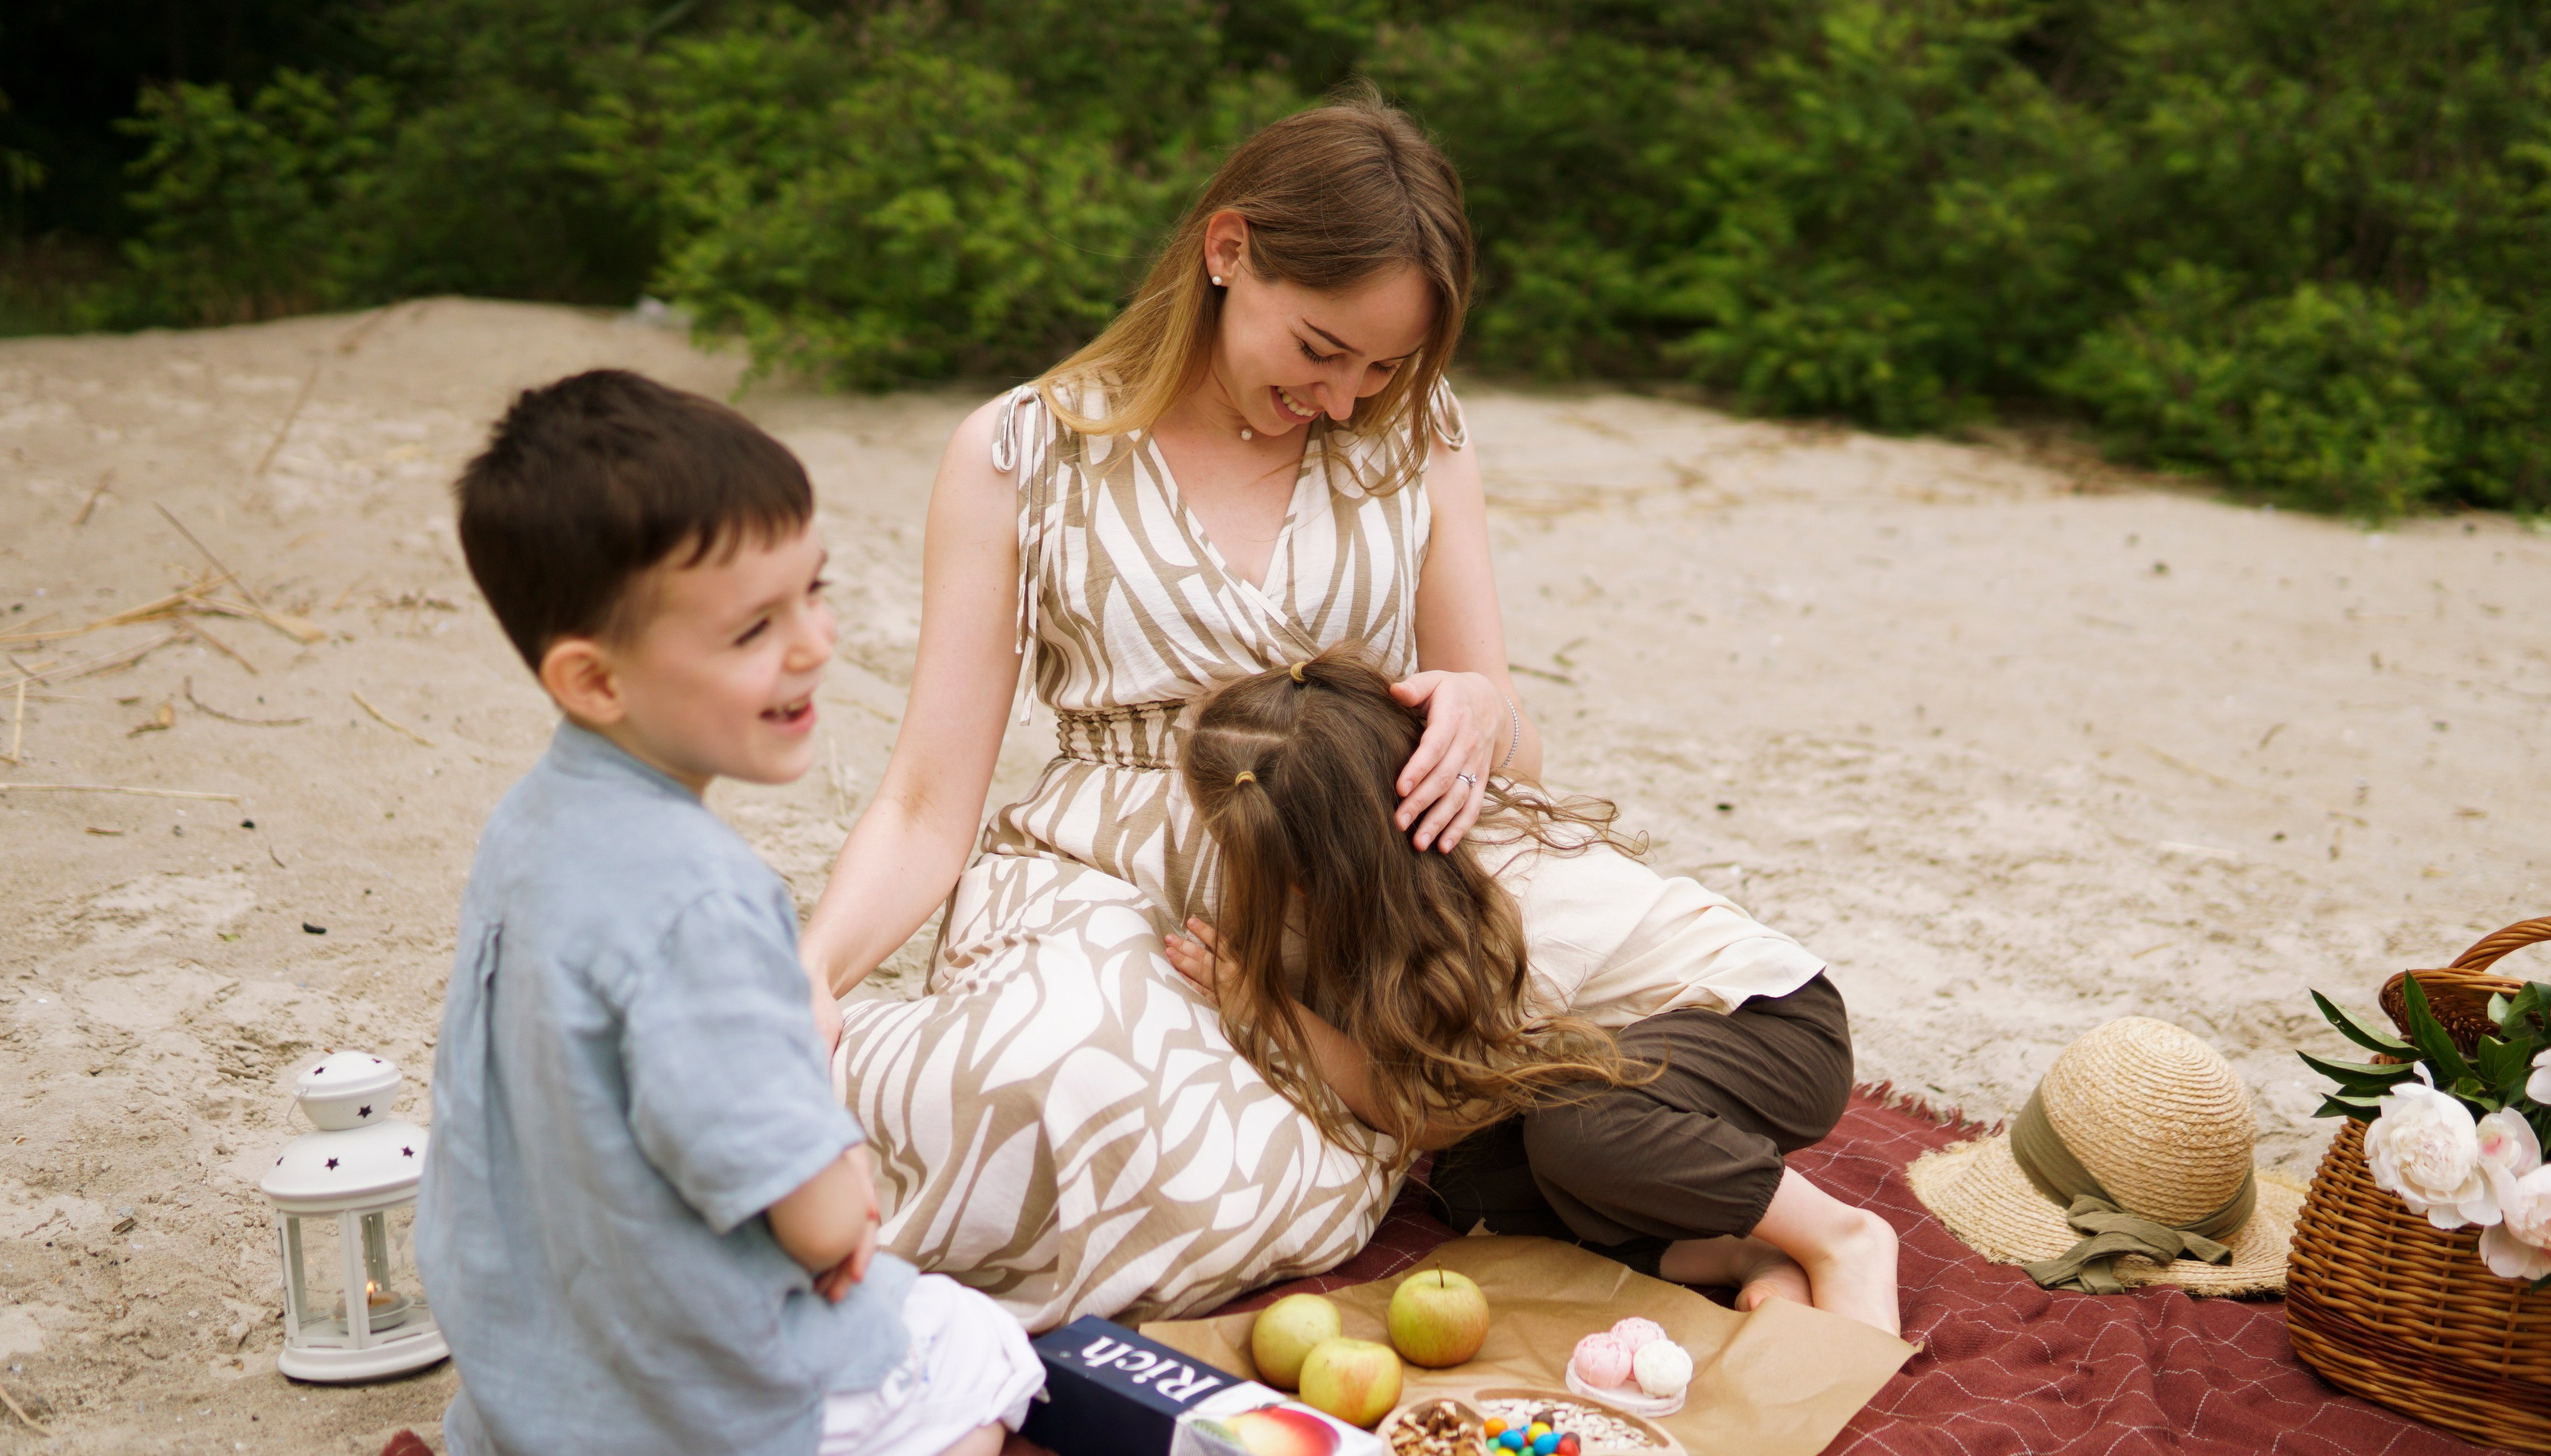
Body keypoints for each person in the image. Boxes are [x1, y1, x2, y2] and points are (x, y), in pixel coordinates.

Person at [800, 88, 1521, 1327]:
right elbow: (927, 799)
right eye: (1318, 349)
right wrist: (809, 977)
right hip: (1100, 874)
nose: (1348, 398)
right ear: (1227, 248)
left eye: (1383, 365)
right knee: (1047, 1078)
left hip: (1328, 877)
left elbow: (1497, 728)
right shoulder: (1020, 449)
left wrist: (1477, 705)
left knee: (1227, 1165)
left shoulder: (1418, 435)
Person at [419, 371, 1045, 1456]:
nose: (813, 644)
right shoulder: (704, 898)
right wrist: (842, 1200)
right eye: (754, 627)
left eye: (815, 590)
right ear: (594, 680)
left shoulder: (525, 829)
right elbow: (811, 1216)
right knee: (976, 1352)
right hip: (686, 1396)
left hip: (532, 1366)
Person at [1165, 647, 1903, 1336]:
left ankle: (1841, 1237)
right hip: (1648, 1061)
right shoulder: (1409, 864)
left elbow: (1422, 1110)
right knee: (1476, 1186)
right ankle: (1742, 1248)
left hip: (1777, 1029)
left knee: (1578, 1129)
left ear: (1300, 873)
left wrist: (1269, 1011)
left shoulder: (1509, 914)